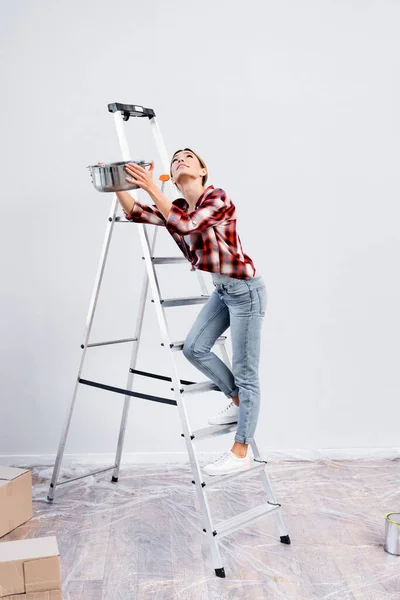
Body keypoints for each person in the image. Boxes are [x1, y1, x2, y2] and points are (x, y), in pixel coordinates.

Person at [114, 149, 267, 476]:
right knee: (194, 348)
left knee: (246, 373)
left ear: (202, 170)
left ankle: (241, 452)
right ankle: (238, 401)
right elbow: (138, 213)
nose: (180, 159)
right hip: (224, 290)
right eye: (175, 158)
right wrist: (115, 184)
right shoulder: (178, 206)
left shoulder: (217, 197)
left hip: (246, 291)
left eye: (188, 157)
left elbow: (186, 226)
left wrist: (152, 187)